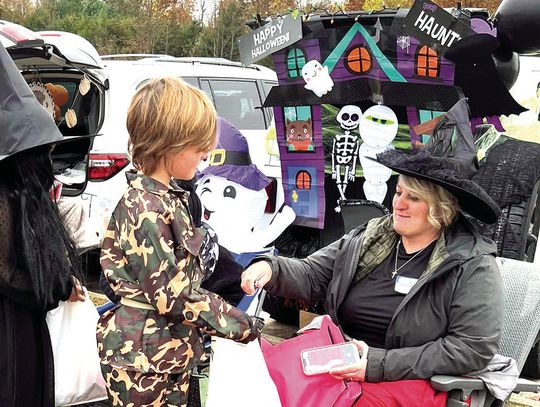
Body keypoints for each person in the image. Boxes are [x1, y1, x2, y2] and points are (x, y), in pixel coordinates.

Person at [241, 148, 504, 406]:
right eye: (399, 192)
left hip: (414, 380)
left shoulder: (471, 263)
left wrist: (377, 364)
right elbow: (313, 274)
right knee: (262, 378)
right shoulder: (371, 237)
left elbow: (471, 348)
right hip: (344, 364)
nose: (398, 204)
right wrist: (270, 268)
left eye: (413, 198)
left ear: (440, 208)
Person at [96, 77, 263, 407]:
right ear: (168, 144)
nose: (205, 153)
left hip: (164, 354)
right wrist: (246, 327)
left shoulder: (168, 199)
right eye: (198, 145)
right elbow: (175, 296)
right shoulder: (146, 207)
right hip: (142, 362)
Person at [0, 43, 86, 406]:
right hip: (10, 337)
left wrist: (60, 282)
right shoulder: (8, 197)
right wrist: (57, 285)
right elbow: (9, 273)